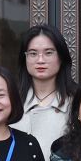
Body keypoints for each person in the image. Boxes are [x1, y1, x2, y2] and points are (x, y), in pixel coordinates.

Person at [15, 24, 77, 152]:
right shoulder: (11, 101)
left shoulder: (78, 101)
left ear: (61, 57)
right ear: (24, 58)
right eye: (33, 53)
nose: (40, 60)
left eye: (48, 53)